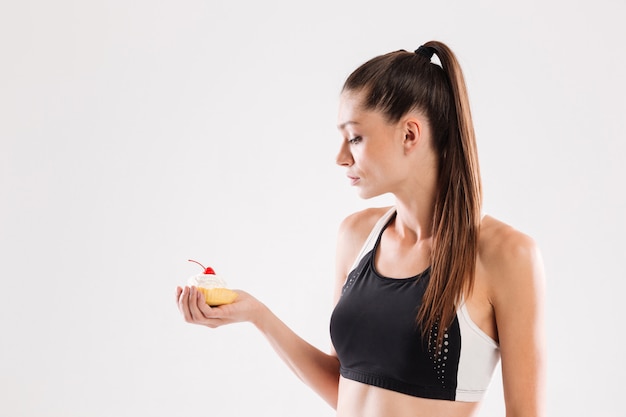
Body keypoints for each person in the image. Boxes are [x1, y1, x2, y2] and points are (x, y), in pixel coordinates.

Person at [176, 40, 546, 417]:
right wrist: (256, 313)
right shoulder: (357, 237)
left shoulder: (506, 255)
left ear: (409, 135)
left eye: (355, 137)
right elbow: (343, 385)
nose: (340, 157)